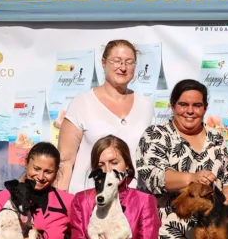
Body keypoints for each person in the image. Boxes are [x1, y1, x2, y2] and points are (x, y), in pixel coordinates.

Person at [135, 79, 228, 239]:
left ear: (205, 108)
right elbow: (152, 176)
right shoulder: (156, 134)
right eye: (183, 104)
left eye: (197, 105)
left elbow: (227, 174)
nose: (190, 111)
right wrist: (192, 178)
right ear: (172, 106)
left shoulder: (216, 138)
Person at [56, 40, 155, 194]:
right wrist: (61, 203)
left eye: (129, 62)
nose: (123, 67)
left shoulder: (146, 106)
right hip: (89, 201)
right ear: (103, 63)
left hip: (132, 203)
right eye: (116, 61)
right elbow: (65, 160)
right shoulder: (82, 103)